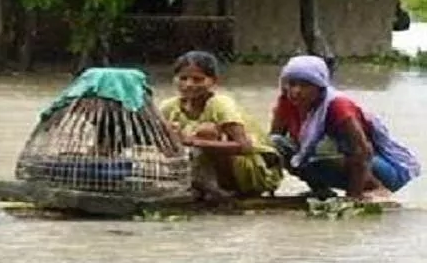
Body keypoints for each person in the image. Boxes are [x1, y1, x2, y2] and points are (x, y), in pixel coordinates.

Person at [269, 54, 419, 202]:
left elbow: (362, 153)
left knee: (323, 148)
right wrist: (269, 188)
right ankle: (321, 191)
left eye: (305, 85)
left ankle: (374, 189)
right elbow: (273, 147)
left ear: (320, 87)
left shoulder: (338, 107)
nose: (296, 91)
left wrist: (353, 197)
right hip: (340, 162)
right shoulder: (287, 102)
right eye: (292, 84)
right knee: (277, 144)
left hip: (379, 169)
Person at [159, 51, 284, 201]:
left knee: (206, 131)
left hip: (255, 169)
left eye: (198, 79)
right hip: (208, 168)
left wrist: (192, 142)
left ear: (213, 81)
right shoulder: (169, 107)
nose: (189, 85)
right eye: (183, 78)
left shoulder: (220, 104)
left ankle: (225, 189)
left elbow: (244, 146)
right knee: (169, 136)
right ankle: (198, 185)